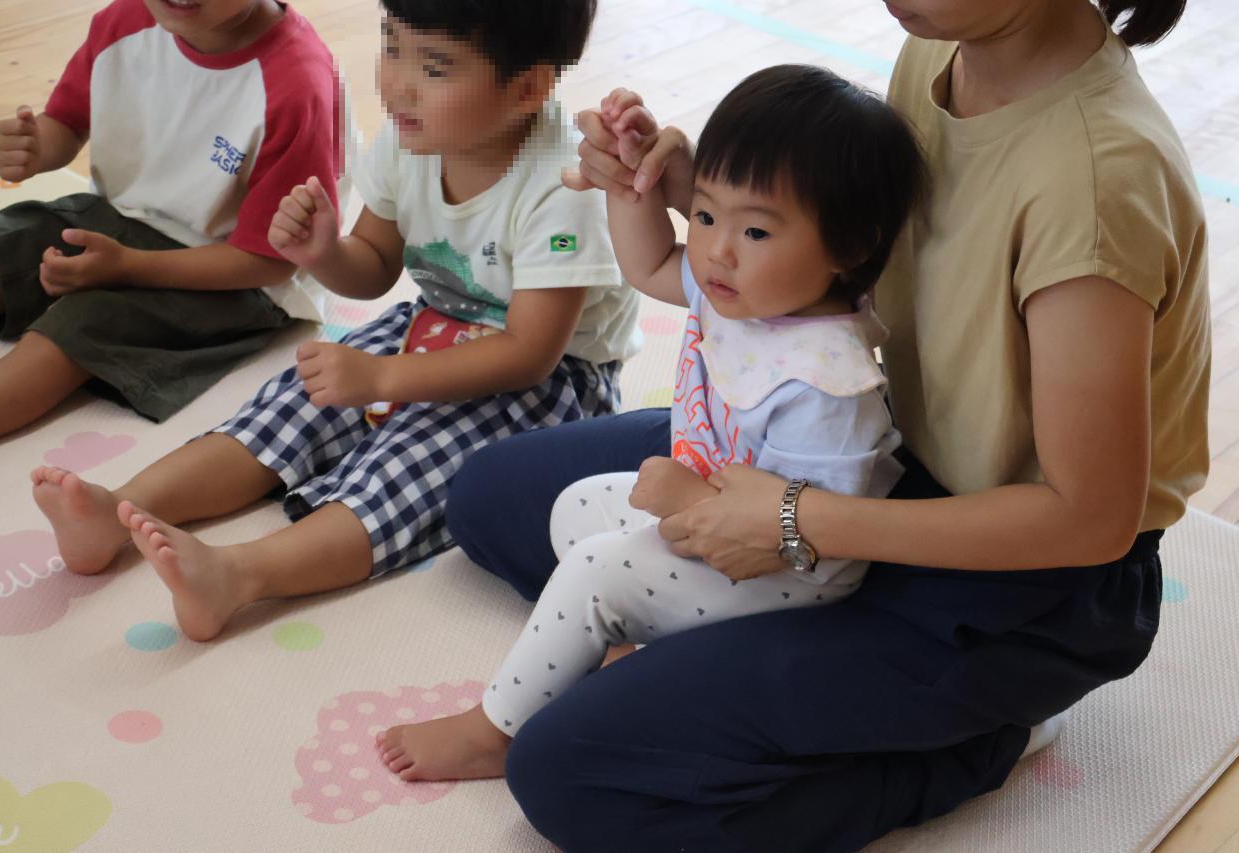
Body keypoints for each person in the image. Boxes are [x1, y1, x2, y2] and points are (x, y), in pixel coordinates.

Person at [441, 0, 1211, 849]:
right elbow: (863, 258)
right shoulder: (944, 50)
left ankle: (981, 740)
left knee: (565, 769)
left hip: (1019, 582)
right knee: (489, 498)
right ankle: (708, 655)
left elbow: (1090, 520)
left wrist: (791, 518)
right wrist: (712, 197)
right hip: (866, 450)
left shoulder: (1095, 182)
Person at [376, 64, 928, 782]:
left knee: (595, 569)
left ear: (851, 247)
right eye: (706, 214)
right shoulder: (751, 293)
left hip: (788, 576)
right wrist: (630, 182)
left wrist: (688, 498)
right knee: (578, 508)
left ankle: (495, 731)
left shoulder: (829, 383)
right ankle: (621, 646)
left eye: (755, 229)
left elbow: (813, 540)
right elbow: (649, 263)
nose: (716, 249)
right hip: (713, 508)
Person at [30, 0, 639, 643]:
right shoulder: (413, 137)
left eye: (434, 67)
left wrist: (382, 379)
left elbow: (530, 353)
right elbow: (372, 265)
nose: (397, 83)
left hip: (551, 381)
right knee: (289, 407)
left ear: (527, 88)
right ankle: (117, 510)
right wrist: (322, 253)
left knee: (404, 469)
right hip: (432, 324)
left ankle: (237, 576)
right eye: (392, 45)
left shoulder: (563, 186)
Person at [0, 0, 341, 446]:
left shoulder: (297, 85)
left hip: (232, 278)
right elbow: (66, 123)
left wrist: (127, 267)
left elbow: (271, 262)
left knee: (72, 333)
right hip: (117, 219)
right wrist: (34, 147)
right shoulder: (125, 21)